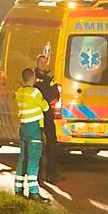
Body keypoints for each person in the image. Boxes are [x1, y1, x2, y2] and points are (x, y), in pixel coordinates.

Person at [14, 67, 50, 202]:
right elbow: (45, 107)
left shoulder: (19, 92)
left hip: (23, 128)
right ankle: (34, 192)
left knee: (23, 158)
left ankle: (18, 189)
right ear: (32, 77)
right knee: (33, 161)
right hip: (34, 128)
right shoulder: (35, 93)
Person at [33, 54, 62, 184]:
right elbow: (40, 93)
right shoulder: (34, 78)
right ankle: (38, 176)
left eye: (45, 62)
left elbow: (55, 93)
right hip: (37, 116)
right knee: (38, 147)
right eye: (41, 62)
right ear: (37, 63)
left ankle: (52, 174)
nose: (44, 65)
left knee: (52, 145)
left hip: (48, 115)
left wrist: (49, 93)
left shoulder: (50, 77)